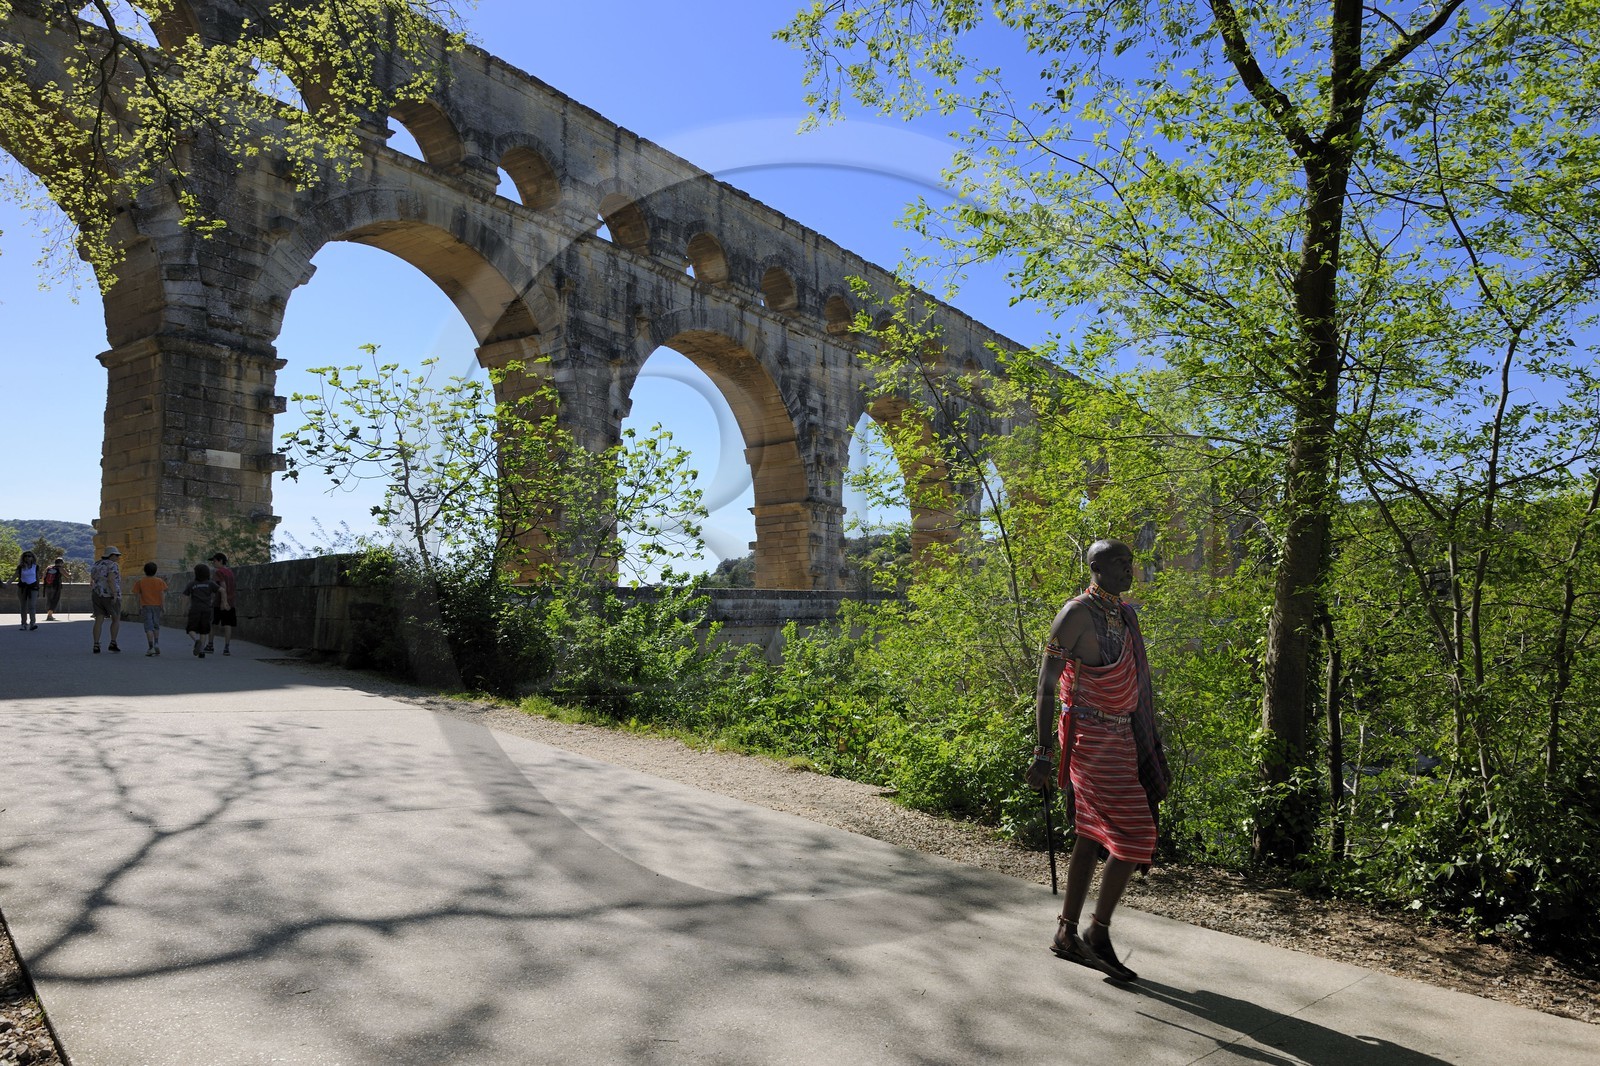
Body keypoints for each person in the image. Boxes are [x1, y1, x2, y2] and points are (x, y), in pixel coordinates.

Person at [1025, 539, 1169, 983]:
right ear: (1096, 568)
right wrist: (1043, 754)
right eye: (1119, 563)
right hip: (1088, 738)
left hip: (1123, 737)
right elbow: (1046, 686)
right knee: (1136, 832)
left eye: (1131, 561)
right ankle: (1097, 932)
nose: (1129, 569)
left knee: (1091, 836)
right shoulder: (1075, 614)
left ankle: (1066, 933)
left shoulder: (1126, 614)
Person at [89, 545, 124, 653]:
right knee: (116, 618)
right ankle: (113, 642)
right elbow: (111, 579)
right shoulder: (113, 565)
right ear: (111, 555)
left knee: (99, 619)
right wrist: (114, 593)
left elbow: (93, 578)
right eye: (117, 555)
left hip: (97, 593)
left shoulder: (96, 564)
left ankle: (96, 644)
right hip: (109, 594)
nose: (118, 557)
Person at [130, 561, 168, 656]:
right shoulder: (160, 581)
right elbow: (162, 593)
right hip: (157, 606)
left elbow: (138, 595)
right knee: (156, 625)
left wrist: (139, 606)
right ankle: (156, 643)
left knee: (148, 627)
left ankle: (150, 647)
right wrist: (163, 606)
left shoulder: (140, 582)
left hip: (146, 606)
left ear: (144, 571)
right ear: (155, 571)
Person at [182, 562, 219, 659]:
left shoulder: (192, 584)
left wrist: (184, 609)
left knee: (190, 629)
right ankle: (202, 651)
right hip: (207, 610)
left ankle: (196, 641)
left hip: (195, 609)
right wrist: (223, 601)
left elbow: (185, 597)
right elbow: (221, 590)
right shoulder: (210, 583)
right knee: (204, 630)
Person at [206, 551, 237, 655]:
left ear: (220, 561)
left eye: (214, 561)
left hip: (220, 602)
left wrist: (223, 602)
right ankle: (226, 648)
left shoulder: (219, 572)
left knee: (213, 624)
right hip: (231, 601)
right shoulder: (230, 572)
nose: (213, 563)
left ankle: (210, 645)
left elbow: (223, 586)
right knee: (228, 625)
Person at [12, 550, 41, 630]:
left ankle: (33, 623)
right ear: (23, 558)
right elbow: (14, 577)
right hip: (22, 588)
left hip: (33, 587)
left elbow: (37, 578)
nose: (27, 558)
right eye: (26, 556)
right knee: (23, 606)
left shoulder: (36, 567)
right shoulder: (20, 567)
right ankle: (23, 624)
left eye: (29, 556)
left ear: (32, 558)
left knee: (32, 606)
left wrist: (38, 588)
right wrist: (6, 585)